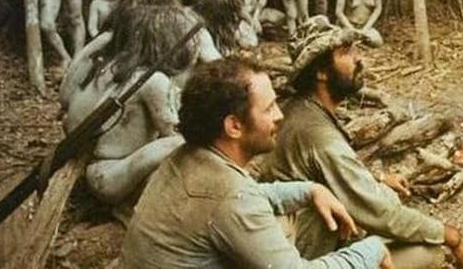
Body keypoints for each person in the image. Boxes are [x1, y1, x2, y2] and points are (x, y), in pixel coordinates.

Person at [119, 56, 393, 269]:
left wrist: (310, 190)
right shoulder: (231, 197)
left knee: (317, 215)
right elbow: (238, 202)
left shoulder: (187, 157)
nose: (279, 116)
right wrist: (370, 250)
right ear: (234, 126)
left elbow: (246, 197)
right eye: (269, 108)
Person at [261, 18, 463, 268]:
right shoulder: (316, 132)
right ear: (321, 73)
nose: (359, 58)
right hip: (301, 259)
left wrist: (378, 179)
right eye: (345, 52)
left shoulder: (302, 110)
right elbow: (381, 213)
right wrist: (450, 236)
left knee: (386, 195)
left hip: (291, 241)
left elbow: (330, 173)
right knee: (430, 254)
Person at [63, 4, 210, 208]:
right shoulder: (154, 80)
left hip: (96, 166)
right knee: (184, 141)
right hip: (110, 175)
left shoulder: (117, 64)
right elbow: (173, 131)